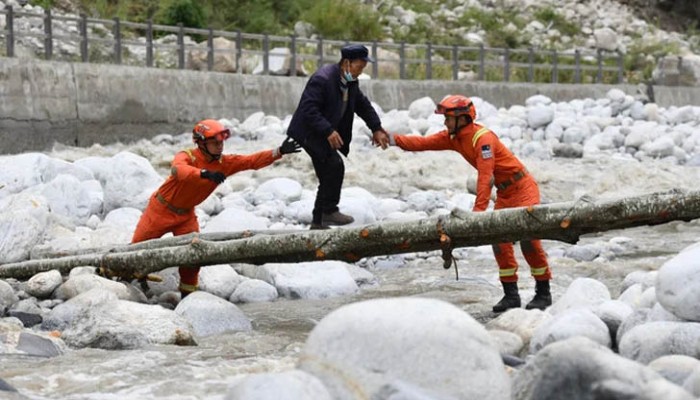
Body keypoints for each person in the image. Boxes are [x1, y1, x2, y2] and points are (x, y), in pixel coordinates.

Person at [380, 94, 552, 312]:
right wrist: (391, 139)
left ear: (462, 118)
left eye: (447, 118)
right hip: (506, 193)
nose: (444, 122)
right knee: (499, 242)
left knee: (529, 241)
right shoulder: (454, 137)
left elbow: (486, 177)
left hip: (523, 188)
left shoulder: (483, 139)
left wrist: (477, 213)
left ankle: (543, 293)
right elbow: (423, 143)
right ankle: (511, 296)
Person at [131, 119, 301, 298]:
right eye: (215, 143)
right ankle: (126, 279)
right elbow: (178, 170)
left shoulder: (224, 164)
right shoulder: (187, 155)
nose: (220, 146)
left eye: (221, 142)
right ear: (202, 143)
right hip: (160, 210)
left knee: (193, 257)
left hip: (186, 216)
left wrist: (278, 152)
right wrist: (203, 173)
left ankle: (187, 297)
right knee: (136, 251)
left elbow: (250, 161)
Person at [286, 44, 389, 230]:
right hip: (309, 131)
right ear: (347, 63)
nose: (361, 70)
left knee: (329, 170)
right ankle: (326, 213)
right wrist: (328, 131)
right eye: (360, 65)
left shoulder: (350, 81)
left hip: (323, 131)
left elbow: (362, 105)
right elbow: (308, 109)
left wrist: (377, 128)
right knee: (333, 166)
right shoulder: (322, 79)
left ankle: (319, 221)